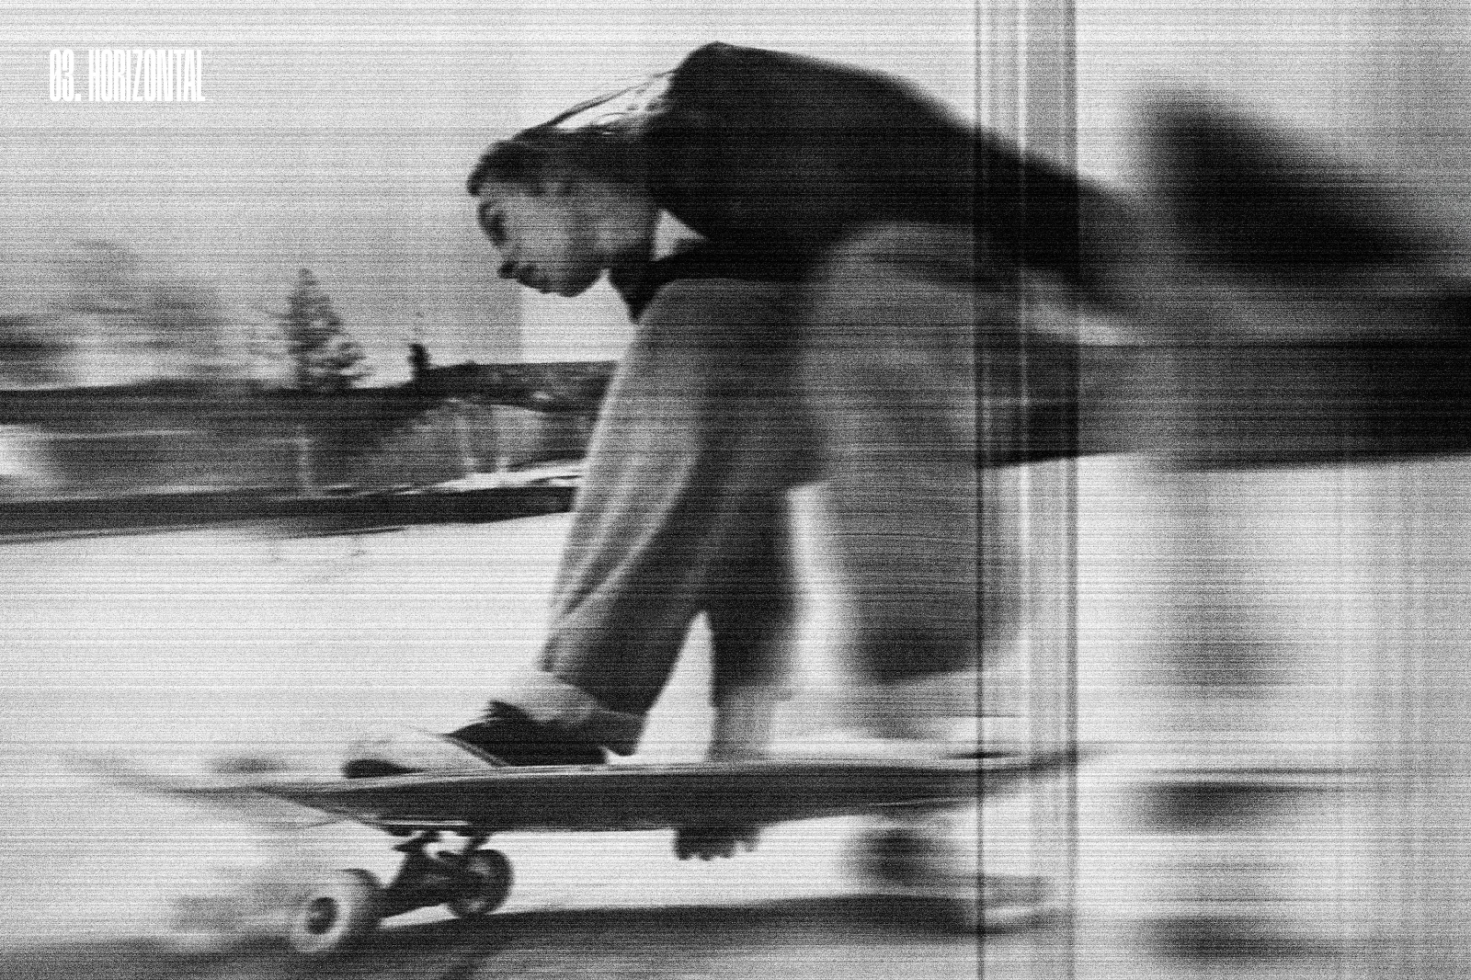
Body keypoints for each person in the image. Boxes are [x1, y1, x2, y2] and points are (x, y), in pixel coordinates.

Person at [345, 43, 1103, 800]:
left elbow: (954, 169)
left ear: (556, 177)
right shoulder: (675, 286)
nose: (503, 267)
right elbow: (733, 499)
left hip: (1032, 309)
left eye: (499, 225)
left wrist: (1147, 276)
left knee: (868, 280)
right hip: (875, 358)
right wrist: (737, 737)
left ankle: (931, 674)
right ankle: (557, 715)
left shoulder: (718, 102)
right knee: (700, 333)